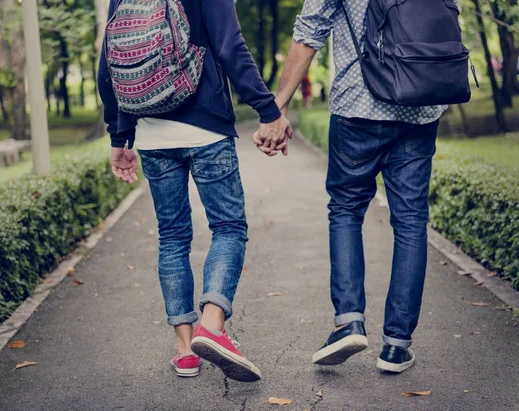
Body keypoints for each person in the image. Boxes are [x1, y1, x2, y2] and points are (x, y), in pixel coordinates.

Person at [98, 0, 291, 382]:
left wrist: (119, 134)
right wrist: (269, 111)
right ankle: (212, 326)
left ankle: (186, 352)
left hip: (151, 132)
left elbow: (110, 65)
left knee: (172, 237)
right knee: (229, 227)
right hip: (206, 128)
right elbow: (229, 46)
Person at [255, 0, 446, 374]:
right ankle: (396, 345)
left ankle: (349, 321)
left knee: (345, 210)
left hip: (359, 106)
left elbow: (309, 32)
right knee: (410, 222)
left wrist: (276, 109)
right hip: (420, 108)